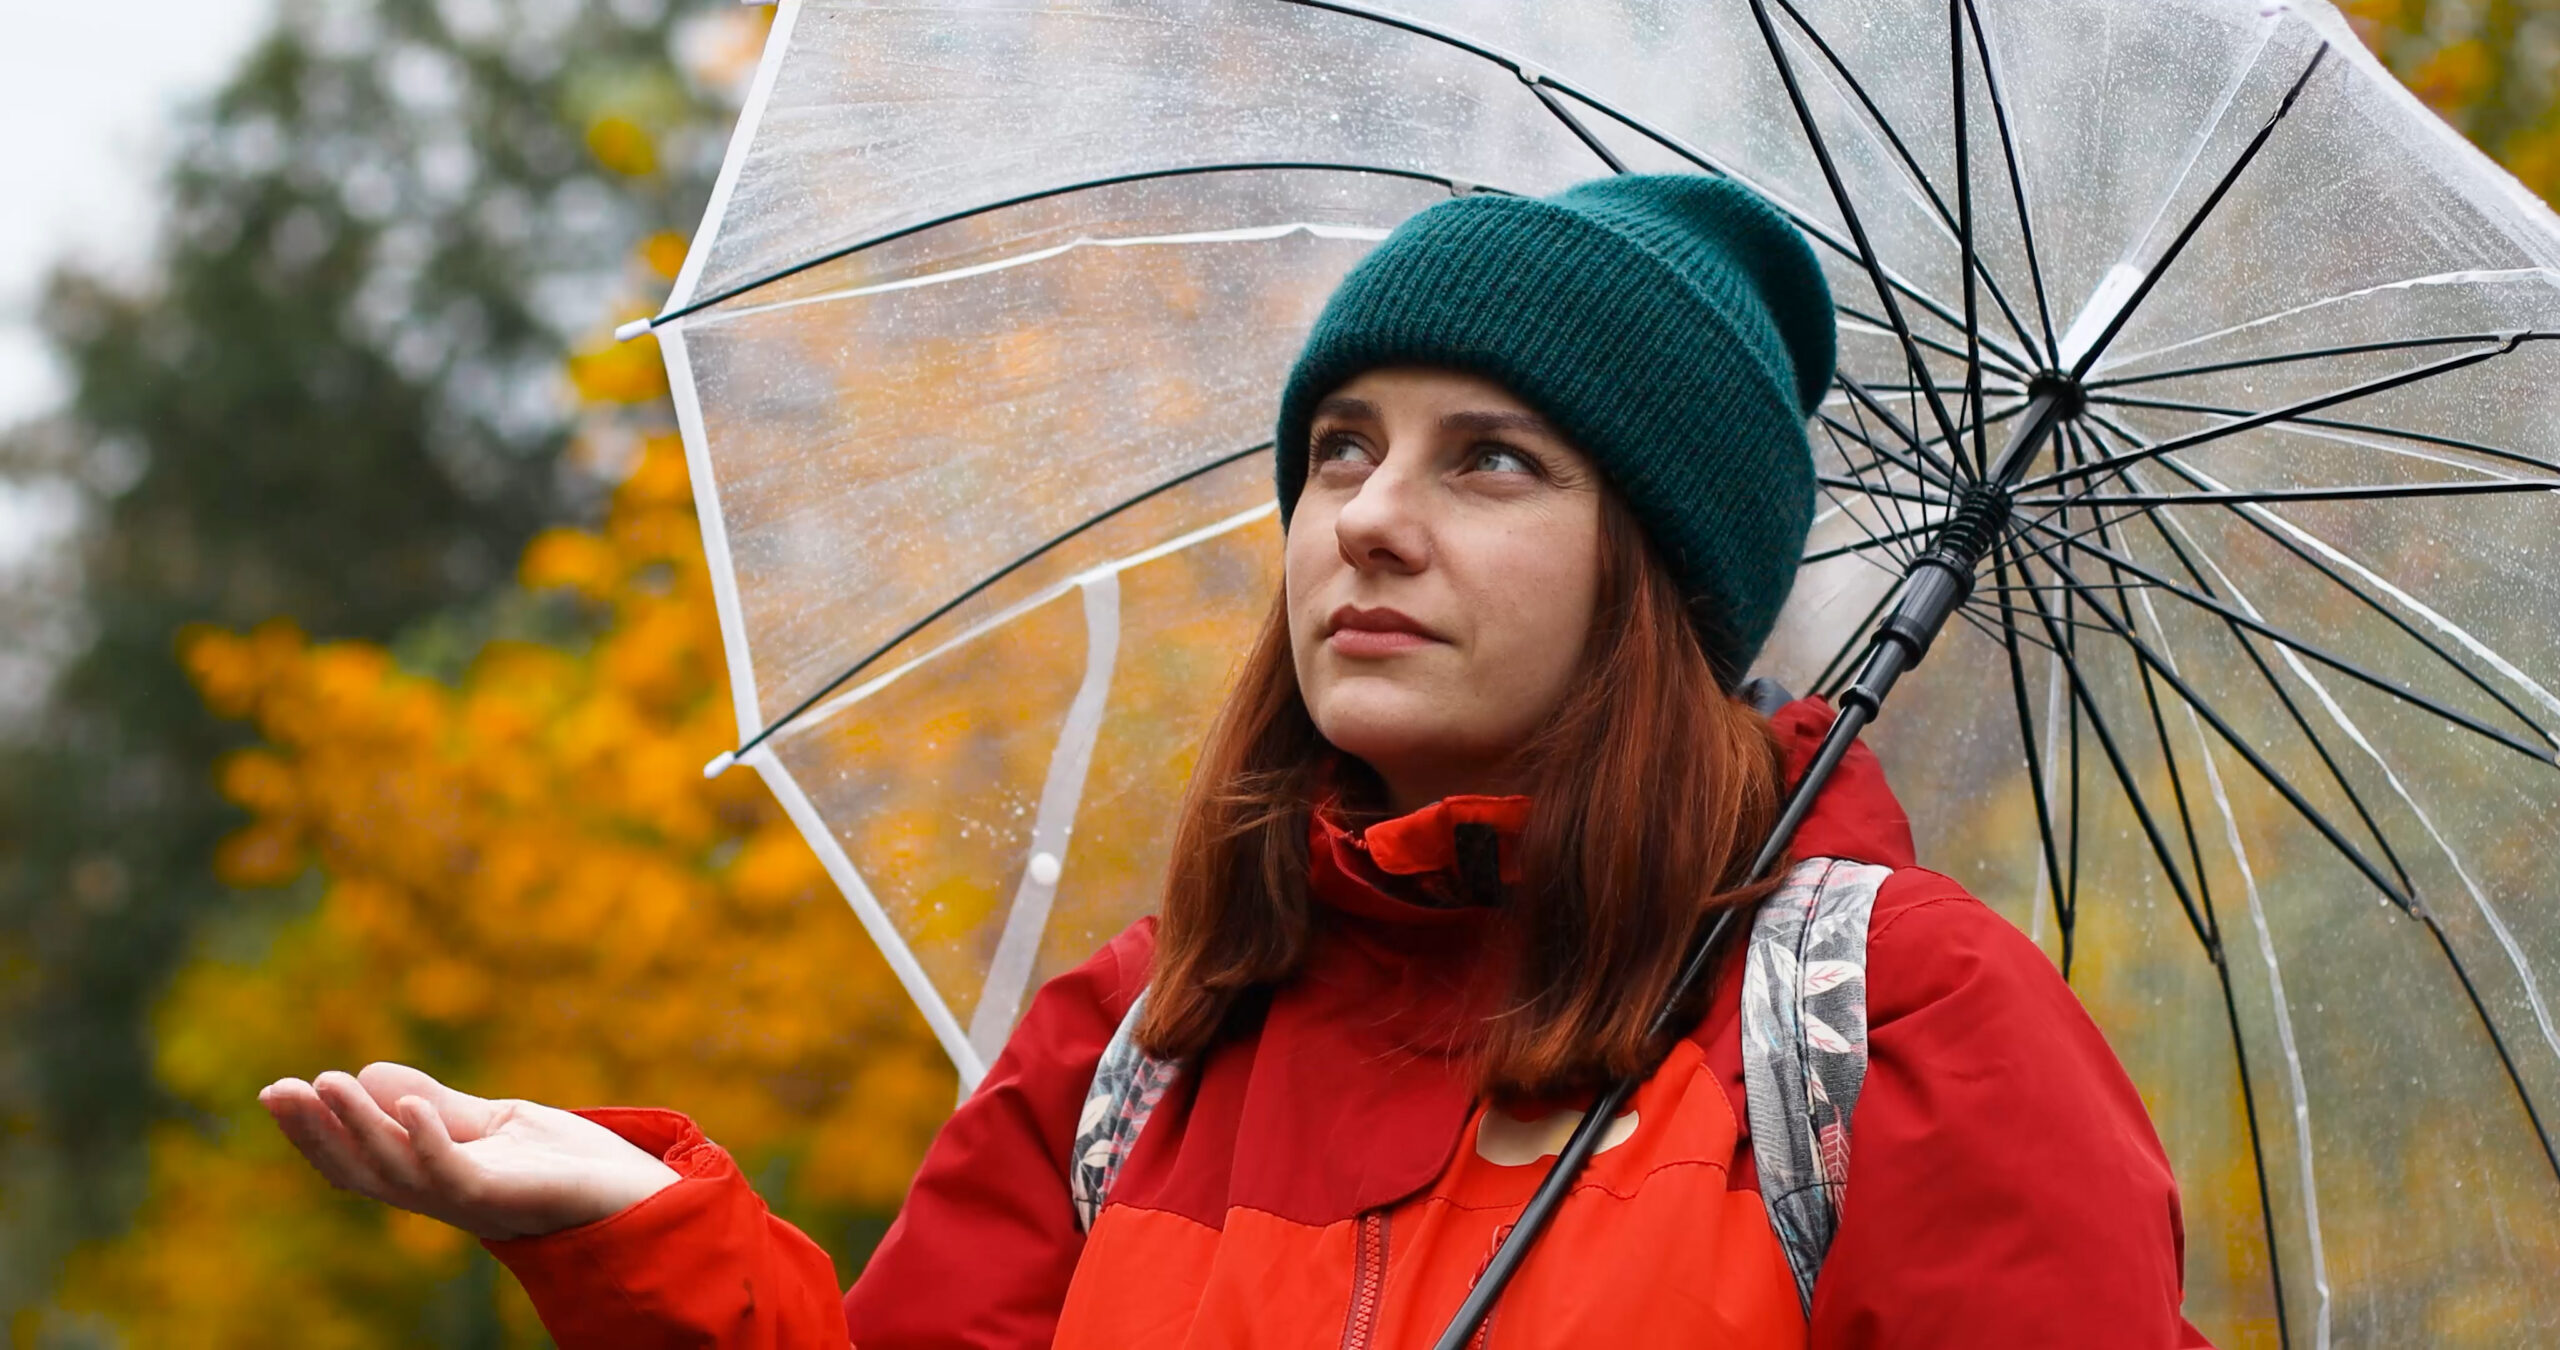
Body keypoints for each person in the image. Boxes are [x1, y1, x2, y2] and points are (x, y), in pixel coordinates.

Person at [259, 175, 2211, 1347]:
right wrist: (641, 1246)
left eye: (1487, 460)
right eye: (1339, 445)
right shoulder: (1142, 1050)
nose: (1363, 517)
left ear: (1656, 568)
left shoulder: (1898, 1031)